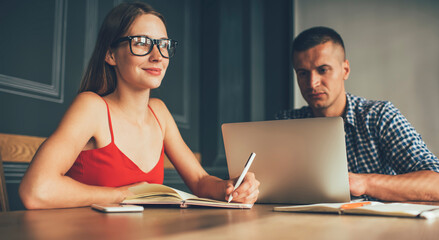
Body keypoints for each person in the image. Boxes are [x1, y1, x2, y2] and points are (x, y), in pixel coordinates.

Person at [19, 2, 259, 209]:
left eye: (163, 45)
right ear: (110, 55)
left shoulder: (159, 113)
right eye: (142, 42)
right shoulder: (91, 108)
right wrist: (127, 194)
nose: (157, 56)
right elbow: (35, 190)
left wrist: (231, 188)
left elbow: (199, 180)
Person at [276, 26, 439, 201]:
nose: (312, 82)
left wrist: (364, 183)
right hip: (304, 225)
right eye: (303, 73)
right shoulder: (285, 124)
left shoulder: (380, 117)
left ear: (345, 70)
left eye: (323, 70)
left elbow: (438, 185)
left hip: (377, 227)